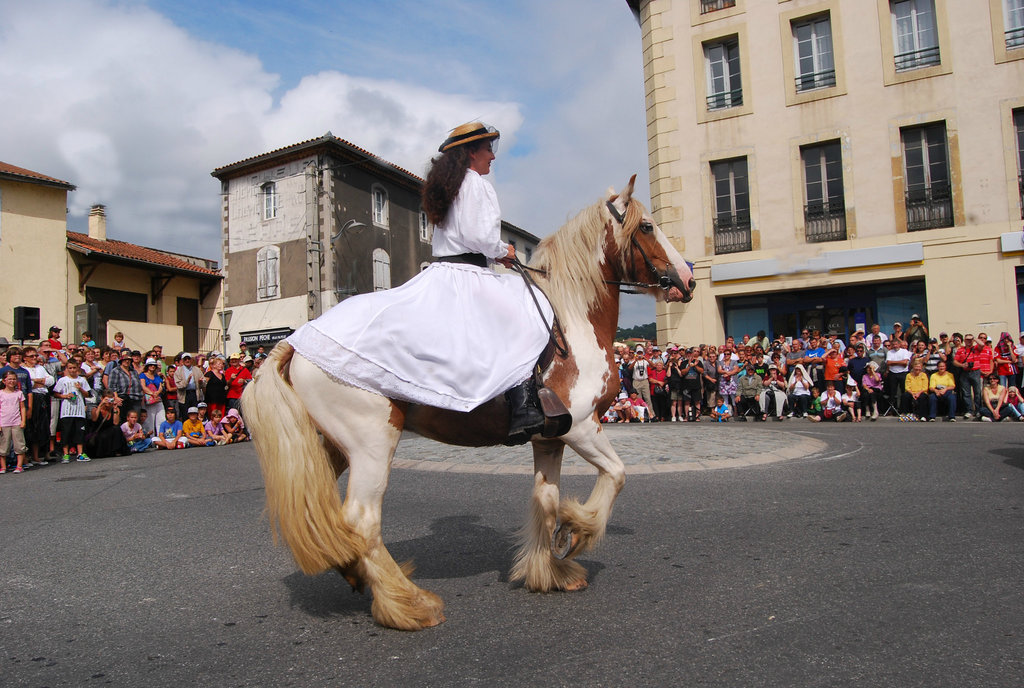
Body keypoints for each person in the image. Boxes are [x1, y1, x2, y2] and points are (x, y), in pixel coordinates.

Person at [286, 122, 555, 445]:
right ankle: (523, 406)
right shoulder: (476, 185)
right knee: (524, 307)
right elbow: (478, 236)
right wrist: (504, 250)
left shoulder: (450, 187)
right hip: (468, 274)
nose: (492, 157)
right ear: (471, 152)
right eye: (488, 150)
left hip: (445, 271)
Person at [54, 359, 93, 462]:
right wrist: (65, 396)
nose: (72, 370)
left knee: (79, 432)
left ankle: (80, 453)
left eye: (74, 368)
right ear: (67, 369)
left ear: (78, 368)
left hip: (79, 411)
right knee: (66, 432)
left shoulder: (82, 380)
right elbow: (55, 393)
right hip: (66, 411)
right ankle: (65, 454)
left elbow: (88, 394)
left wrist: (80, 389)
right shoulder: (63, 380)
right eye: (70, 368)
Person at [22, 346, 54, 466]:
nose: (35, 358)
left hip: (43, 397)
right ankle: (29, 456)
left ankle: (38, 456)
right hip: (32, 398)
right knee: (31, 428)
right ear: (25, 358)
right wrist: (41, 381)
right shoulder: (23, 369)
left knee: (42, 427)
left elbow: (51, 380)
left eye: (36, 355)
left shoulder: (40, 368)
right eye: (31, 356)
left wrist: (37, 381)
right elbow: (29, 384)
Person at [85, 389, 129, 458]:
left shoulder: (115, 409)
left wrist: (115, 409)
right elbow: (94, 419)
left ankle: (116, 450)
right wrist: (100, 405)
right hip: (99, 433)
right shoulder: (95, 409)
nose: (108, 402)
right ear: (102, 399)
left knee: (117, 429)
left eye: (110, 400)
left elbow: (115, 423)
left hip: (110, 432)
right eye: (107, 399)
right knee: (103, 436)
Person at [0, 370, 28, 473]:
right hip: (4, 422)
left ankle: (19, 466)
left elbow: (23, 408)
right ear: (4, 381)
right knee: (3, 446)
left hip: (16, 422)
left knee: (19, 445)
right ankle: (3, 467)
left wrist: (23, 421)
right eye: (9, 379)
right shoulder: (1, 393)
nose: (12, 381)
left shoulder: (19, 393)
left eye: (14, 379)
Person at [139, 357, 165, 436]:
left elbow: (161, 386)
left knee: (161, 419)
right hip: (149, 401)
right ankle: (151, 438)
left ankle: (161, 437)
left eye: (154, 365)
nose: (152, 366)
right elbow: (143, 386)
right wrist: (152, 393)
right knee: (150, 420)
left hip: (158, 399)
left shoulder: (157, 376)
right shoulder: (143, 375)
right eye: (150, 365)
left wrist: (157, 392)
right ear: (147, 366)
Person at [173, 353, 204, 417]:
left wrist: (201, 382)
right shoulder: (178, 371)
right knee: (185, 415)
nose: (187, 360)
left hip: (195, 394)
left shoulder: (197, 370)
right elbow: (179, 385)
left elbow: (204, 383)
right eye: (185, 359)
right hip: (184, 395)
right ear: (182, 360)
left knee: (195, 414)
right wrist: (187, 381)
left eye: (188, 359)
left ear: (191, 360)